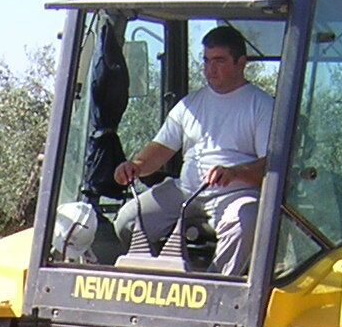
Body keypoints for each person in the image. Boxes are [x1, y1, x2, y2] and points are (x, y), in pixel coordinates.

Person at [113, 25, 273, 275]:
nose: (210, 69)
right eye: (206, 61)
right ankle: (160, 278)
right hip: (186, 191)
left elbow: (269, 167)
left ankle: (214, 289)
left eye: (219, 61)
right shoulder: (189, 105)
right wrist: (136, 166)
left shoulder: (261, 105)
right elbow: (160, 149)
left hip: (235, 195)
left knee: (246, 221)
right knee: (128, 220)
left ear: (241, 62)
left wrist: (234, 172)